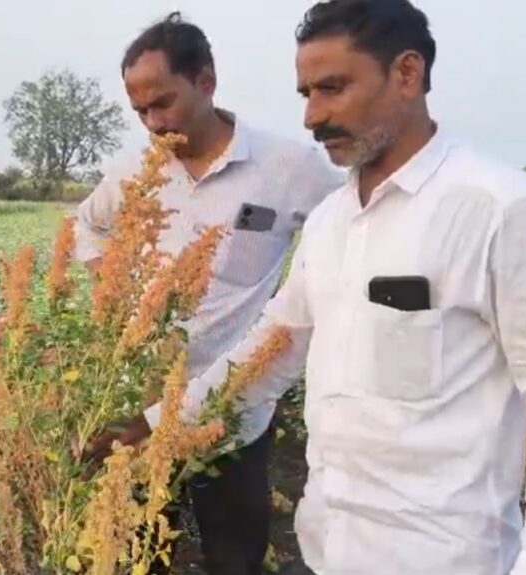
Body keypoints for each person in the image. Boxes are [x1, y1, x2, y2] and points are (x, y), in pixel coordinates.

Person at [110, 1, 526, 574]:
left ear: (407, 74)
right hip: (332, 549)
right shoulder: (331, 220)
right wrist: (153, 428)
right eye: (306, 94)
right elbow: (272, 348)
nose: (312, 115)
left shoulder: (498, 210)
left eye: (332, 88)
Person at [74, 11, 343, 575]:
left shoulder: (288, 168)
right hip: (140, 405)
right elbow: (88, 224)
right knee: (141, 547)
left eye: (163, 102)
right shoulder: (133, 171)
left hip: (231, 410)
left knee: (234, 554)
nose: (152, 122)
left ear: (206, 82)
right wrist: (109, 278)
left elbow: (349, 237)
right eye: (139, 110)